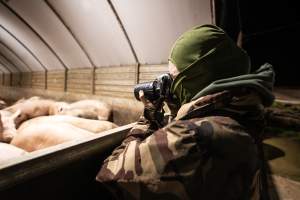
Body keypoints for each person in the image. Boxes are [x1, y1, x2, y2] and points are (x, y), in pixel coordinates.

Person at [96, 24, 275, 200]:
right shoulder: (245, 114)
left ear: (198, 77)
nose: (172, 87)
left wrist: (147, 120)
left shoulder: (192, 136)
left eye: (174, 78)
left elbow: (110, 175)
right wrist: (181, 112)